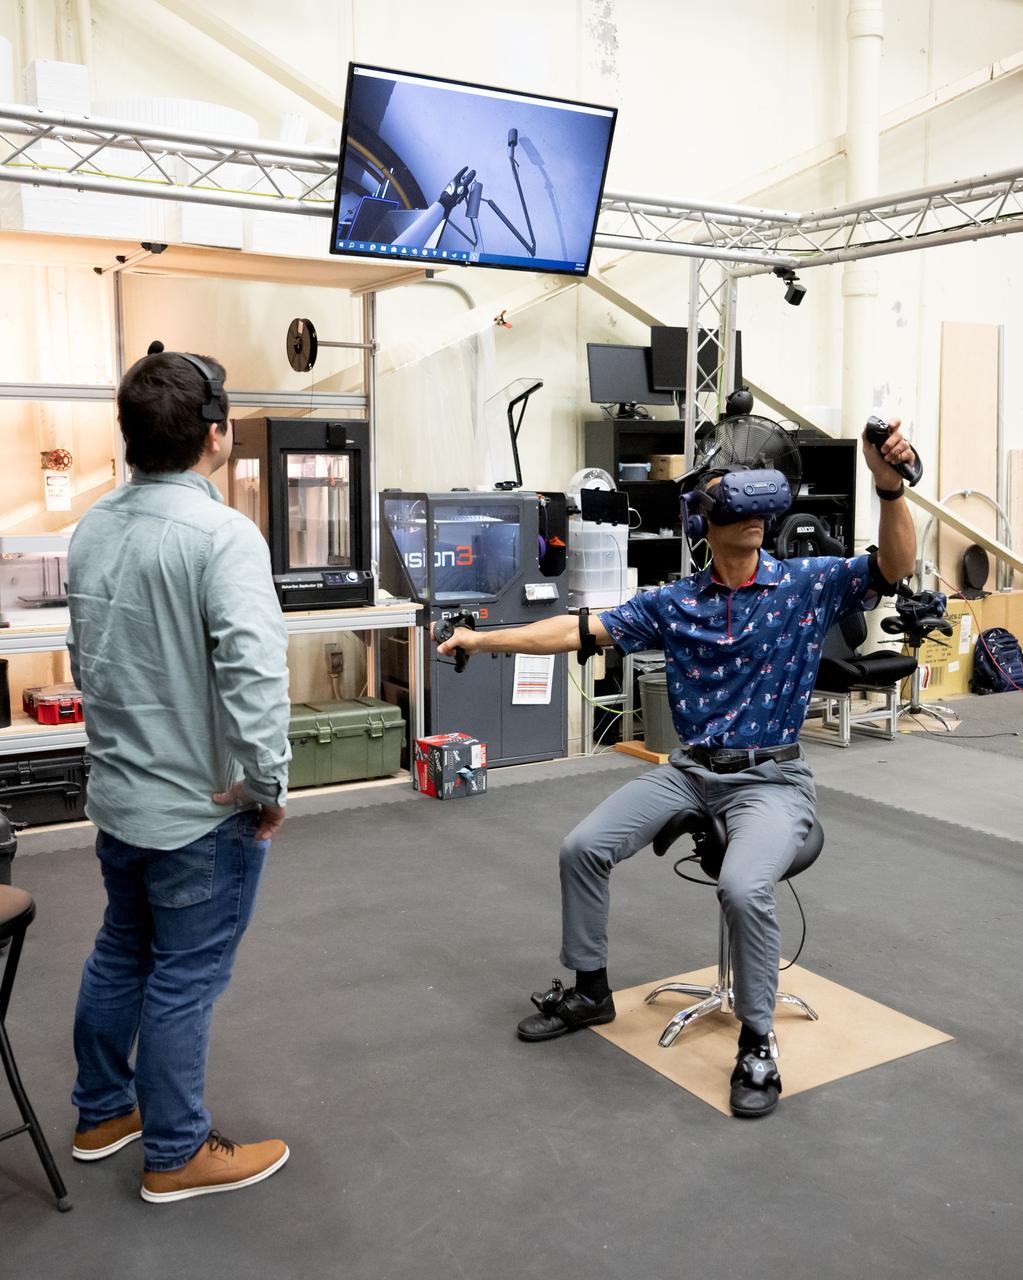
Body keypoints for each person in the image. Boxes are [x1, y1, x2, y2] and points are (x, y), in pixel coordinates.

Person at [437, 421, 918, 1118]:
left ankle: (756, 1043)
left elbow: (892, 568)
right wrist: (481, 639)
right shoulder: (674, 602)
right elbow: (577, 629)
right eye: (734, 501)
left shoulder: (804, 585)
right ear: (705, 518)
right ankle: (590, 990)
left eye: (758, 503)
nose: (751, 515)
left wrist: (887, 485)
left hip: (771, 777)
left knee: (743, 884)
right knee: (583, 848)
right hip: (689, 770)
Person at [67, 346, 292, 1200]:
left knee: (123, 949)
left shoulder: (93, 525)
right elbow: (254, 676)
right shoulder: (222, 536)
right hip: (201, 811)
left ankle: (101, 1112)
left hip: (120, 799)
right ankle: (176, 1153)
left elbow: (93, 659)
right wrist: (267, 788)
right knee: (185, 977)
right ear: (216, 434)